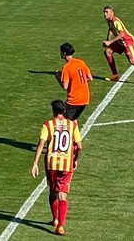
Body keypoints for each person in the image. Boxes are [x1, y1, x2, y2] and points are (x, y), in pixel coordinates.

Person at [30, 100, 83, 236]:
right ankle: (60, 226)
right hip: (66, 163)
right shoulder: (72, 125)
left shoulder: (48, 124)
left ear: (53, 112)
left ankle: (55, 219)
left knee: (53, 191)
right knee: (63, 194)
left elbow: (42, 143)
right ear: (64, 111)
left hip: (51, 163)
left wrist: (35, 163)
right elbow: (80, 146)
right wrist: (75, 159)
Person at [102, 5, 134, 86]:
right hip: (120, 41)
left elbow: (122, 34)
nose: (105, 14)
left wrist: (110, 42)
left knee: (132, 60)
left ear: (112, 13)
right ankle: (115, 75)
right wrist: (108, 40)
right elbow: (111, 30)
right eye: (104, 12)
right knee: (107, 51)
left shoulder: (116, 22)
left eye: (107, 12)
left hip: (127, 41)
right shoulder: (109, 21)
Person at [58, 42, 92, 121]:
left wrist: (58, 77)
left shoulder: (66, 67)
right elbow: (90, 78)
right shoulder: (80, 62)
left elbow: (65, 86)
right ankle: (76, 133)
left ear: (64, 53)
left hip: (74, 100)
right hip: (85, 98)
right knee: (73, 120)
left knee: (62, 120)